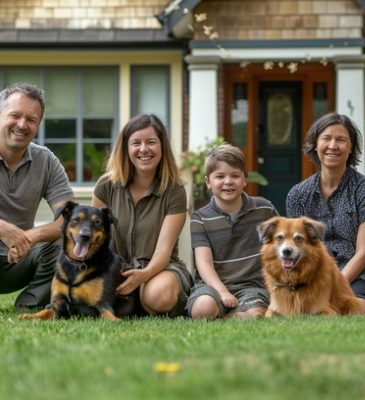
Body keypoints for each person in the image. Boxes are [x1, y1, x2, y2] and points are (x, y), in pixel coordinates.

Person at [92, 114, 192, 317]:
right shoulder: (106, 186)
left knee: (158, 296)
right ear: (126, 148)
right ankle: (134, 302)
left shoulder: (175, 191)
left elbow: (164, 251)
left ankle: (143, 300)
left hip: (161, 269)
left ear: (162, 147)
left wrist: (143, 275)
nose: (144, 149)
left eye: (151, 142)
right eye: (136, 143)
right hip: (116, 267)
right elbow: (96, 239)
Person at [286, 112, 365, 315]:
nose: (333, 145)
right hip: (311, 277)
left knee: (356, 311)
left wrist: (333, 285)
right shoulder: (298, 194)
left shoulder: (364, 190)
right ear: (315, 145)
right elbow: (295, 248)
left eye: (341, 140)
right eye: (326, 138)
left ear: (350, 148)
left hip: (359, 277)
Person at [0, 82, 74, 310]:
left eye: (31, 119)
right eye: (15, 115)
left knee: (68, 241)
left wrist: (30, 237)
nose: (22, 124)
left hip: (17, 262)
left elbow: (70, 216)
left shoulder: (46, 161)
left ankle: (28, 304)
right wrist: (4, 229)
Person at [187, 143, 278, 319]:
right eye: (220, 176)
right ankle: (231, 315)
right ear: (208, 182)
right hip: (211, 285)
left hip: (252, 286)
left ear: (244, 179)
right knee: (203, 309)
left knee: (256, 315)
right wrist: (222, 292)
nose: (228, 181)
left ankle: (229, 317)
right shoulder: (200, 217)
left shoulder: (264, 209)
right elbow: (204, 263)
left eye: (235, 176)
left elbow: (279, 247)